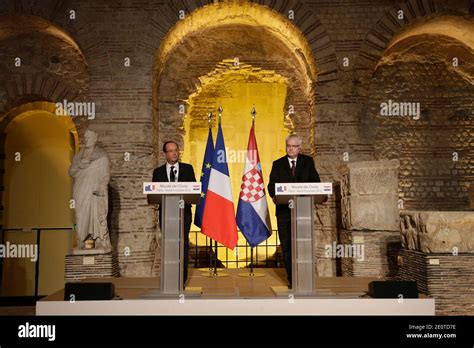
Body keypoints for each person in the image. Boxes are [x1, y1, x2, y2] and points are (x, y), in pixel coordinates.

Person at [268, 134, 321, 288]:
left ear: (300, 148)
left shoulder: (307, 162)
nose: (290, 149)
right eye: (288, 146)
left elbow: (316, 183)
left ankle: (304, 278)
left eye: (294, 146)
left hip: (303, 210)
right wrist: (276, 196)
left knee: (303, 246)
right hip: (284, 212)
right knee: (287, 245)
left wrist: (301, 191)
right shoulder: (277, 164)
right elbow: (271, 186)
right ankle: (292, 279)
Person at [152, 141, 196, 286]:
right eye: (170, 151)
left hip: (184, 215)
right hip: (166, 216)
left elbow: (194, 189)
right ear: (165, 154)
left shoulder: (187, 169)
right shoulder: (157, 172)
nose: (174, 153)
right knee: (169, 246)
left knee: (182, 245)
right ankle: (170, 279)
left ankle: (181, 280)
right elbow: (154, 194)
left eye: (176, 150)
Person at [69, 129, 111, 252]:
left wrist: (102, 187)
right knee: (80, 215)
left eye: (89, 138)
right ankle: (82, 241)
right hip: (81, 189)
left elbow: (106, 175)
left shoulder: (101, 155)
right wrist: (79, 165)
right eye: (85, 138)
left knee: (96, 214)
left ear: (95, 139)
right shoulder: (79, 155)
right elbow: (71, 172)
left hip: (96, 190)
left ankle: (98, 240)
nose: (86, 140)